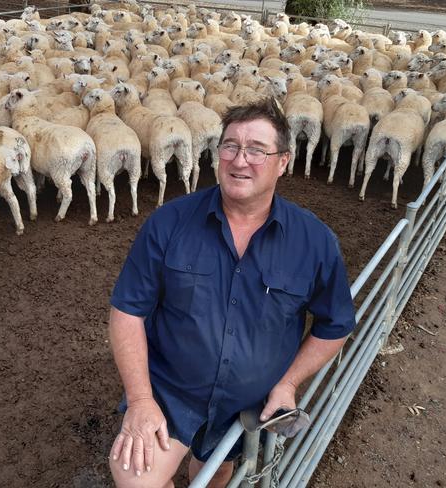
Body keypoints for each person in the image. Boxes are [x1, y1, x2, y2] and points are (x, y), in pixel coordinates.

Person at [108, 97, 356, 488]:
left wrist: (288, 384)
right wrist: (140, 400)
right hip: (171, 394)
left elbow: (336, 323)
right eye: (231, 146)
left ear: (283, 162)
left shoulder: (315, 242)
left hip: (247, 405)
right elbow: (127, 311)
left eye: (257, 150)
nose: (240, 161)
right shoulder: (169, 223)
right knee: (135, 478)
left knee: (216, 472)